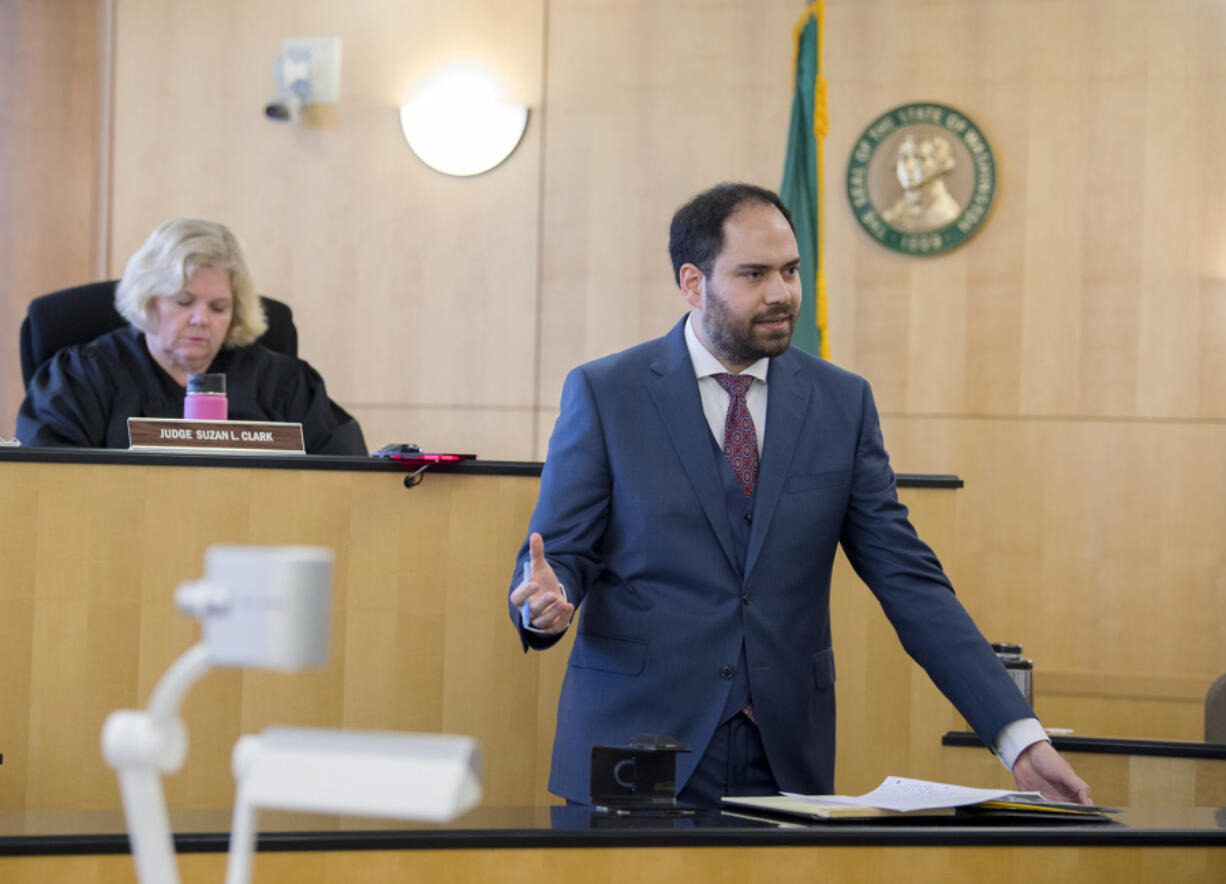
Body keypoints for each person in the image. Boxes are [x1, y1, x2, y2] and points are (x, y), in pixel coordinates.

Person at [508, 182, 1091, 807]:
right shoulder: (606, 392)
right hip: (635, 749)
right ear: (693, 283)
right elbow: (560, 555)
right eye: (754, 274)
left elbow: (910, 582)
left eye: (790, 270)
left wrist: (1019, 740)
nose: (782, 293)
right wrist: (547, 599)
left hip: (785, 756)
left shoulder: (843, 403)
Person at [16, 218, 366, 455]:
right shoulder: (83, 377)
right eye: (184, 301)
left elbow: (343, 473)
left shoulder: (281, 383)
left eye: (218, 307)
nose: (201, 319)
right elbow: (49, 482)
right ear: (148, 299)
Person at [882, 133, 962, 232]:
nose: (909, 167)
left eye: (920, 158)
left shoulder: (944, 214)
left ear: (939, 164)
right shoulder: (898, 211)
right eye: (904, 158)